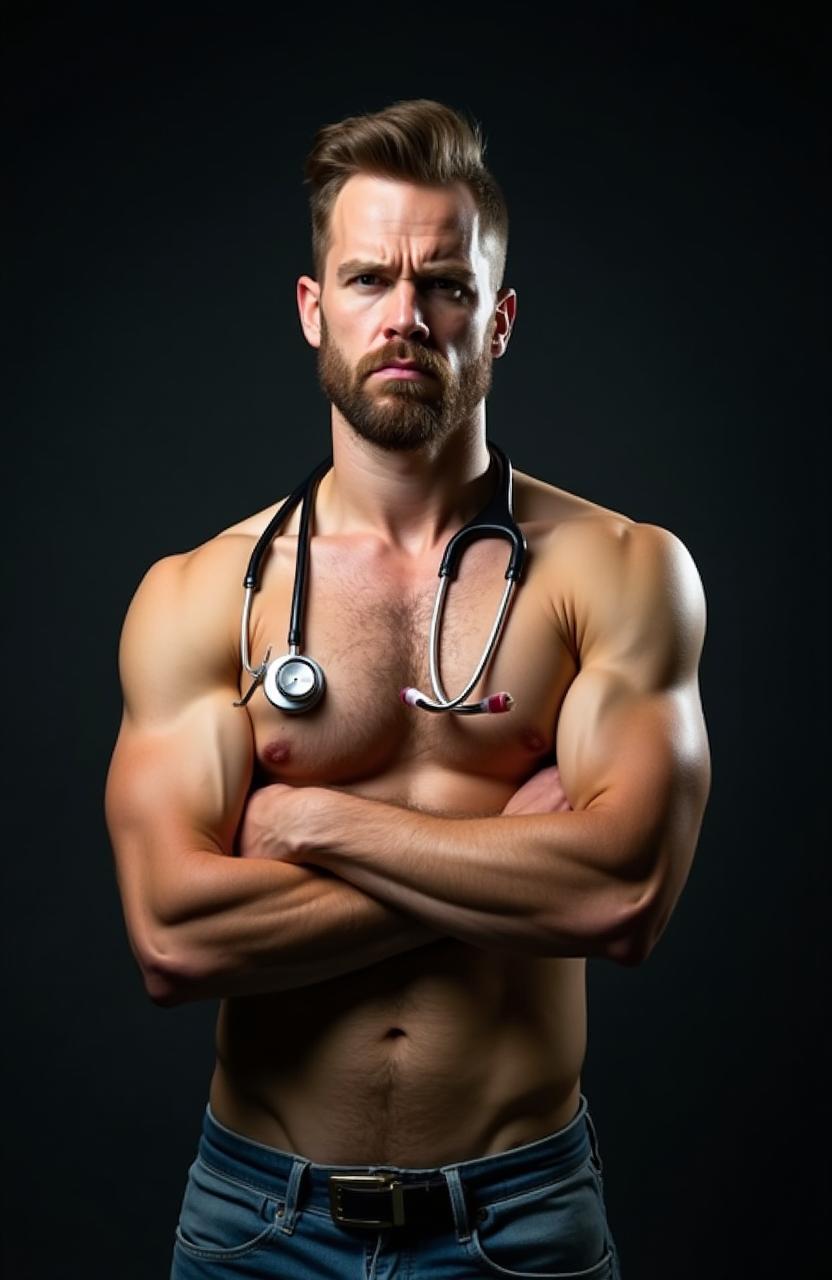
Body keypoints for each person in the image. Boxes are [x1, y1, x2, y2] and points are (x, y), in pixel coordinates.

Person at [104, 97, 711, 1280]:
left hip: (518, 1215)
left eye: (444, 282)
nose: (405, 315)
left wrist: (313, 820)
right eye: (370, 276)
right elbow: (172, 935)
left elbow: (626, 895)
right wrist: (507, 840)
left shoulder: (621, 570)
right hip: (255, 1222)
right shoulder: (198, 596)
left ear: (500, 319)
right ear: (311, 306)